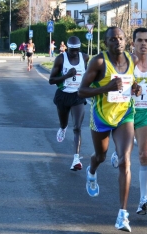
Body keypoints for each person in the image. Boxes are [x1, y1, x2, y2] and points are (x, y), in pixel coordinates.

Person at [78, 26, 141, 232]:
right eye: (113, 39)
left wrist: (136, 88)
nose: (118, 42)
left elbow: (132, 81)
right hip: (102, 116)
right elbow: (81, 91)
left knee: (125, 160)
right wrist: (106, 88)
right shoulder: (98, 62)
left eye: (121, 38)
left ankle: (123, 215)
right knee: (101, 155)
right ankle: (92, 170)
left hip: (124, 114)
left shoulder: (132, 59)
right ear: (106, 43)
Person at [110, 27, 147, 215]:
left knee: (144, 154)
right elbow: (116, 86)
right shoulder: (126, 62)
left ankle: (143, 199)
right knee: (124, 157)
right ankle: (117, 151)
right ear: (133, 43)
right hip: (126, 111)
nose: (143, 44)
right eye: (140, 41)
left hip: (146, 113)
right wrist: (132, 88)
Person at [49, 36, 89, 171]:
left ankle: (76, 159)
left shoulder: (84, 57)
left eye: (77, 50)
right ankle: (62, 128)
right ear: (67, 48)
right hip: (63, 95)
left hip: (78, 96)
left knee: (77, 127)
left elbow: (88, 75)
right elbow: (51, 80)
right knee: (64, 122)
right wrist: (66, 76)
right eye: (72, 50)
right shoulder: (61, 59)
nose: (74, 53)